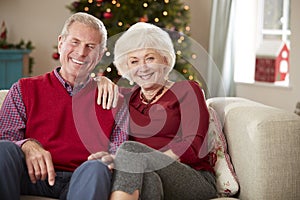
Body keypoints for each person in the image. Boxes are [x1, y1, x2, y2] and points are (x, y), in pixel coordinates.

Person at [0, 12, 127, 200]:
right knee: (3, 149)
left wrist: (110, 159)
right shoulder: (23, 89)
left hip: (82, 179)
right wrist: (27, 145)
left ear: (100, 55)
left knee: (97, 168)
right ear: (61, 43)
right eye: (75, 42)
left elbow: (119, 150)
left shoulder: (115, 99)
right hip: (30, 174)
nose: (81, 53)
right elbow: (5, 136)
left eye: (90, 47)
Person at [92, 22, 218, 199]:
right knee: (148, 179)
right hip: (149, 173)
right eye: (134, 61)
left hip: (194, 178)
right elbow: (89, 91)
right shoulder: (128, 98)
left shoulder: (187, 90)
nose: (142, 67)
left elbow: (193, 146)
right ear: (126, 68)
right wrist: (100, 81)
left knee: (131, 151)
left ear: (165, 59)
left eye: (150, 58)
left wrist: (141, 159)